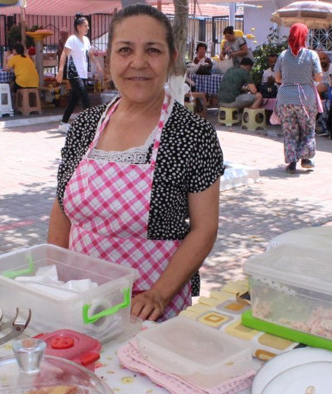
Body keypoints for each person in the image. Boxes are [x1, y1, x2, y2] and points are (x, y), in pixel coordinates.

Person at [48, 4, 223, 322]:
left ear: (171, 59)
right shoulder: (85, 126)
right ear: (109, 59)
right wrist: (56, 278)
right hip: (80, 297)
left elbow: (205, 229)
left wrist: (159, 295)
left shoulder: (192, 134)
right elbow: (61, 207)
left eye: (153, 50)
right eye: (125, 50)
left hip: (152, 307)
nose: (138, 63)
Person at [274, 23, 322, 173]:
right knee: (307, 129)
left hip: (285, 99)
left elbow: (277, 78)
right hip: (306, 98)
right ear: (304, 36)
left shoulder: (283, 55)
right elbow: (318, 77)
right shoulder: (312, 55)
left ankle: (292, 163)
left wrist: (290, 79)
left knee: (290, 131)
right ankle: (306, 159)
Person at [56, 14, 92, 134]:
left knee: (73, 99)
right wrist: (60, 71)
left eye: (88, 26)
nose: (88, 28)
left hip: (83, 74)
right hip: (74, 73)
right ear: (78, 27)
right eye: (85, 26)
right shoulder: (72, 39)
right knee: (84, 97)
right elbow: (64, 54)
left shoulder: (86, 40)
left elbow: (90, 54)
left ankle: (63, 123)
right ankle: (92, 125)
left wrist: (98, 66)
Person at [315, 50, 332, 136]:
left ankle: (323, 126)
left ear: (328, 59)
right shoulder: (316, 70)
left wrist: (327, 88)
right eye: (320, 59)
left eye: (324, 58)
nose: (322, 61)